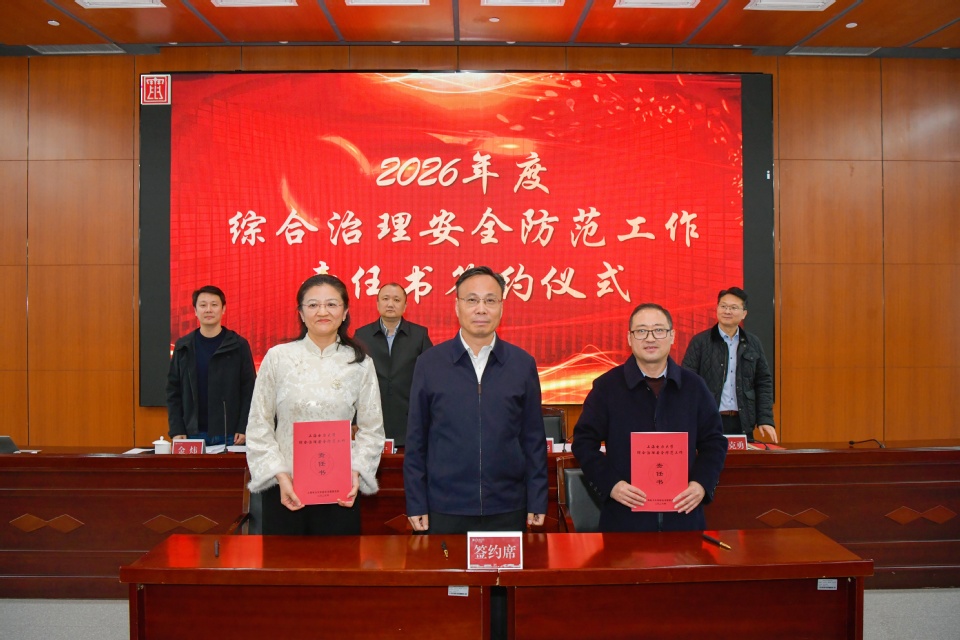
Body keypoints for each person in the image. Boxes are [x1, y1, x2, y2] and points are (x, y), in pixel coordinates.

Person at [404, 266, 548, 535]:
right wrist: (416, 502)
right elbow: (416, 440)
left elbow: (533, 439)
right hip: (445, 507)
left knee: (506, 568)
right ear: (457, 306)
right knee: (447, 565)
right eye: (472, 300)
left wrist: (537, 498)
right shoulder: (430, 364)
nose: (481, 309)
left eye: (490, 300)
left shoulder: (521, 364)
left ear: (501, 307)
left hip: (507, 507)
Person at [245, 274, 385, 535]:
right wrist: (280, 475)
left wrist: (356, 472)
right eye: (313, 305)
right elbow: (259, 424)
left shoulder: (360, 363)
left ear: (345, 312)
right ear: (301, 313)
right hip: (285, 490)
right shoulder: (278, 358)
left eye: (331, 304)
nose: (322, 312)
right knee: (285, 560)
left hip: (340, 491)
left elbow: (372, 429)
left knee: (337, 560)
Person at [571, 303, 728, 532]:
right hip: (624, 520)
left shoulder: (694, 386)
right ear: (629, 337)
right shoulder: (607, 387)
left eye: (659, 330)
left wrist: (701, 484)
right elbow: (584, 442)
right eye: (641, 331)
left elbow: (714, 442)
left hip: (683, 518)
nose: (650, 338)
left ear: (672, 336)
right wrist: (612, 485)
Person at [681, 287, 777, 443]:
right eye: (723, 306)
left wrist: (765, 419)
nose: (727, 311)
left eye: (733, 308)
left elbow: (763, 382)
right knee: (710, 458)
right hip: (708, 419)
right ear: (717, 309)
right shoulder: (700, 342)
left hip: (742, 421)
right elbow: (687, 382)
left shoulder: (753, 343)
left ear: (744, 313)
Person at [166, 285, 255, 447]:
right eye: (203, 305)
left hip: (230, 434)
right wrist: (177, 429)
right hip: (191, 433)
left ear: (223, 309)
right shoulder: (183, 346)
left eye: (214, 305)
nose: (208, 310)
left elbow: (249, 390)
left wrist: (244, 426)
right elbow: (174, 391)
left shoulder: (238, 345)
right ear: (195, 310)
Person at [354, 283, 433, 447]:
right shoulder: (362, 335)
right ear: (377, 304)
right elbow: (354, 379)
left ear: (405, 306)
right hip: (371, 418)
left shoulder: (419, 335)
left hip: (408, 418)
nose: (390, 304)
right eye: (385, 299)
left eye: (397, 300)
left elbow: (430, 378)